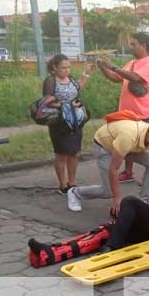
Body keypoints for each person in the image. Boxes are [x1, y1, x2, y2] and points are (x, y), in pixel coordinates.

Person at [67, 120, 149, 214]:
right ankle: (75, 193)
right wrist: (117, 198)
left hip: (127, 145)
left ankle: (143, 201)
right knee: (108, 191)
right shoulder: (129, 136)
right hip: (104, 145)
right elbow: (113, 169)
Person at [96, 33, 149, 183]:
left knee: (148, 144)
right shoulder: (131, 62)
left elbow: (136, 77)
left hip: (143, 111)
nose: (131, 47)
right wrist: (103, 68)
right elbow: (116, 78)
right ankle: (128, 172)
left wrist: (112, 66)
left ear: (143, 45)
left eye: (134, 44)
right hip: (127, 112)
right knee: (127, 143)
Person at [43, 54, 92, 195]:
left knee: (74, 153)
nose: (67, 70)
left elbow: (78, 87)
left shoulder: (70, 79)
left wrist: (86, 74)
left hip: (75, 120)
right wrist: (67, 105)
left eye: (68, 67)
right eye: (63, 68)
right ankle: (62, 184)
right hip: (59, 121)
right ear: (55, 68)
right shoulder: (51, 81)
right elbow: (47, 101)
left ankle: (72, 182)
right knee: (61, 153)